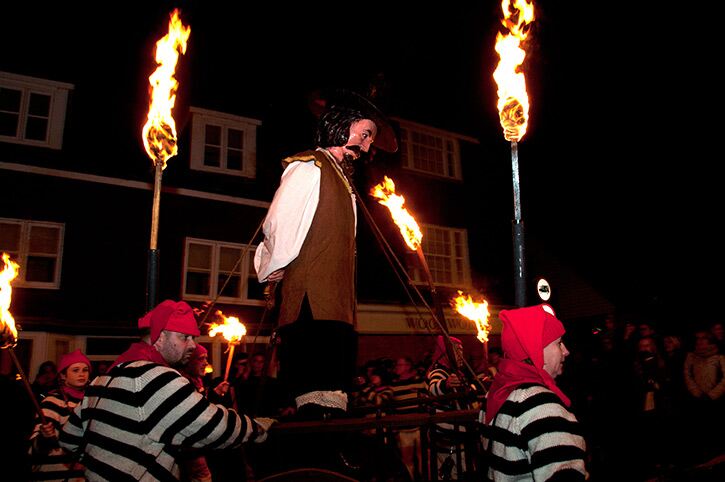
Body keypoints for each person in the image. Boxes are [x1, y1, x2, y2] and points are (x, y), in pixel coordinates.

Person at [253, 89, 397, 420]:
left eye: (368, 140)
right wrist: (270, 265)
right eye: (364, 135)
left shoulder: (342, 181)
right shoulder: (309, 167)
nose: (365, 147)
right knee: (315, 399)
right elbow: (279, 223)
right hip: (311, 307)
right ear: (339, 126)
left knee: (334, 394)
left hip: (336, 308)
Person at [58, 299, 272, 481]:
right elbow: (216, 428)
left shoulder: (101, 380)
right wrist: (260, 428)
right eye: (184, 337)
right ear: (159, 337)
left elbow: (68, 438)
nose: (192, 345)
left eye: (193, 338)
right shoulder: (157, 378)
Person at [480, 304, 588, 481]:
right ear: (537, 351)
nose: (566, 351)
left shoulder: (496, 394)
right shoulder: (541, 404)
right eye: (559, 343)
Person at [29, 349, 91, 482]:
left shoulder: (93, 400)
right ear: (63, 375)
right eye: (75, 370)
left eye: (85, 370)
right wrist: (44, 437)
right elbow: (36, 448)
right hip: (57, 473)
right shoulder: (52, 401)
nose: (81, 374)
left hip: (87, 472)